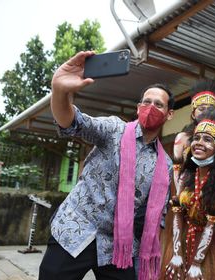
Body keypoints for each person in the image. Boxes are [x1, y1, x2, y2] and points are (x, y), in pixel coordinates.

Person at [39, 51, 174, 280]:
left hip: (117, 246)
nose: (150, 107)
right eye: (146, 102)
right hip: (77, 229)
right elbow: (73, 122)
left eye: (158, 104)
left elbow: (158, 216)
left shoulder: (165, 165)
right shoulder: (114, 130)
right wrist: (60, 90)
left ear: (169, 114)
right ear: (138, 107)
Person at [162, 108, 215, 280]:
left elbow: (212, 225)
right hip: (183, 238)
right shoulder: (186, 174)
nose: (199, 143)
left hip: (209, 245)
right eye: (196, 138)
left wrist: (197, 263)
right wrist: (176, 253)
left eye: (208, 140)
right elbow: (178, 214)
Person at [173, 80, 215, 191]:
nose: (206, 112)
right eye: (201, 109)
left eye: (210, 109)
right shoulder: (182, 138)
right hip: (189, 189)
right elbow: (177, 169)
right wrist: (180, 194)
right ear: (193, 114)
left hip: (214, 186)